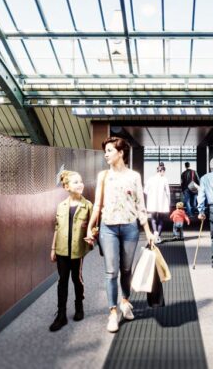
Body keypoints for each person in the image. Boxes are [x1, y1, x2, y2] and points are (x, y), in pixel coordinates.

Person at [85, 136, 157, 333]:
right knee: (111, 272)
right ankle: (113, 312)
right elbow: (98, 204)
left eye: (109, 150)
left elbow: (140, 206)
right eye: (105, 151)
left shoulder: (134, 176)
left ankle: (125, 302)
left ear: (121, 153)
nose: (106, 154)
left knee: (126, 269)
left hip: (130, 228)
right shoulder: (103, 176)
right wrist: (90, 227)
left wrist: (148, 232)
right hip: (108, 228)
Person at [49, 170, 93, 332]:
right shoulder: (61, 206)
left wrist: (91, 234)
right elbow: (57, 228)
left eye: (81, 181)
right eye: (75, 182)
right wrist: (53, 248)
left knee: (76, 278)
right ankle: (61, 315)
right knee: (62, 281)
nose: (80, 184)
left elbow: (94, 226)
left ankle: (79, 305)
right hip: (61, 249)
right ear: (66, 186)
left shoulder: (88, 205)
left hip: (77, 250)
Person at [144, 163, 171, 244]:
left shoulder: (150, 179)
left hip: (152, 202)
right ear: (162, 171)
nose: (164, 173)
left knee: (153, 218)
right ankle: (158, 236)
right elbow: (168, 192)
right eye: (164, 172)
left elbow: (145, 191)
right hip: (162, 203)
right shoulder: (164, 179)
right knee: (161, 219)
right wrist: (168, 203)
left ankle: (155, 232)